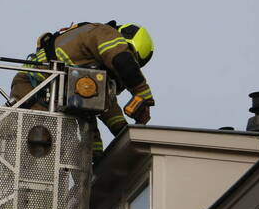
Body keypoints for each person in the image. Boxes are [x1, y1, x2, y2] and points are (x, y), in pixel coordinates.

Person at [10, 21, 155, 158]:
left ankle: (93, 164)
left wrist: (126, 133)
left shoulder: (94, 65)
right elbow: (122, 61)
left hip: (50, 94)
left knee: (88, 148)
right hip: (35, 89)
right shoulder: (106, 33)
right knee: (40, 152)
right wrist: (144, 95)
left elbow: (107, 106)